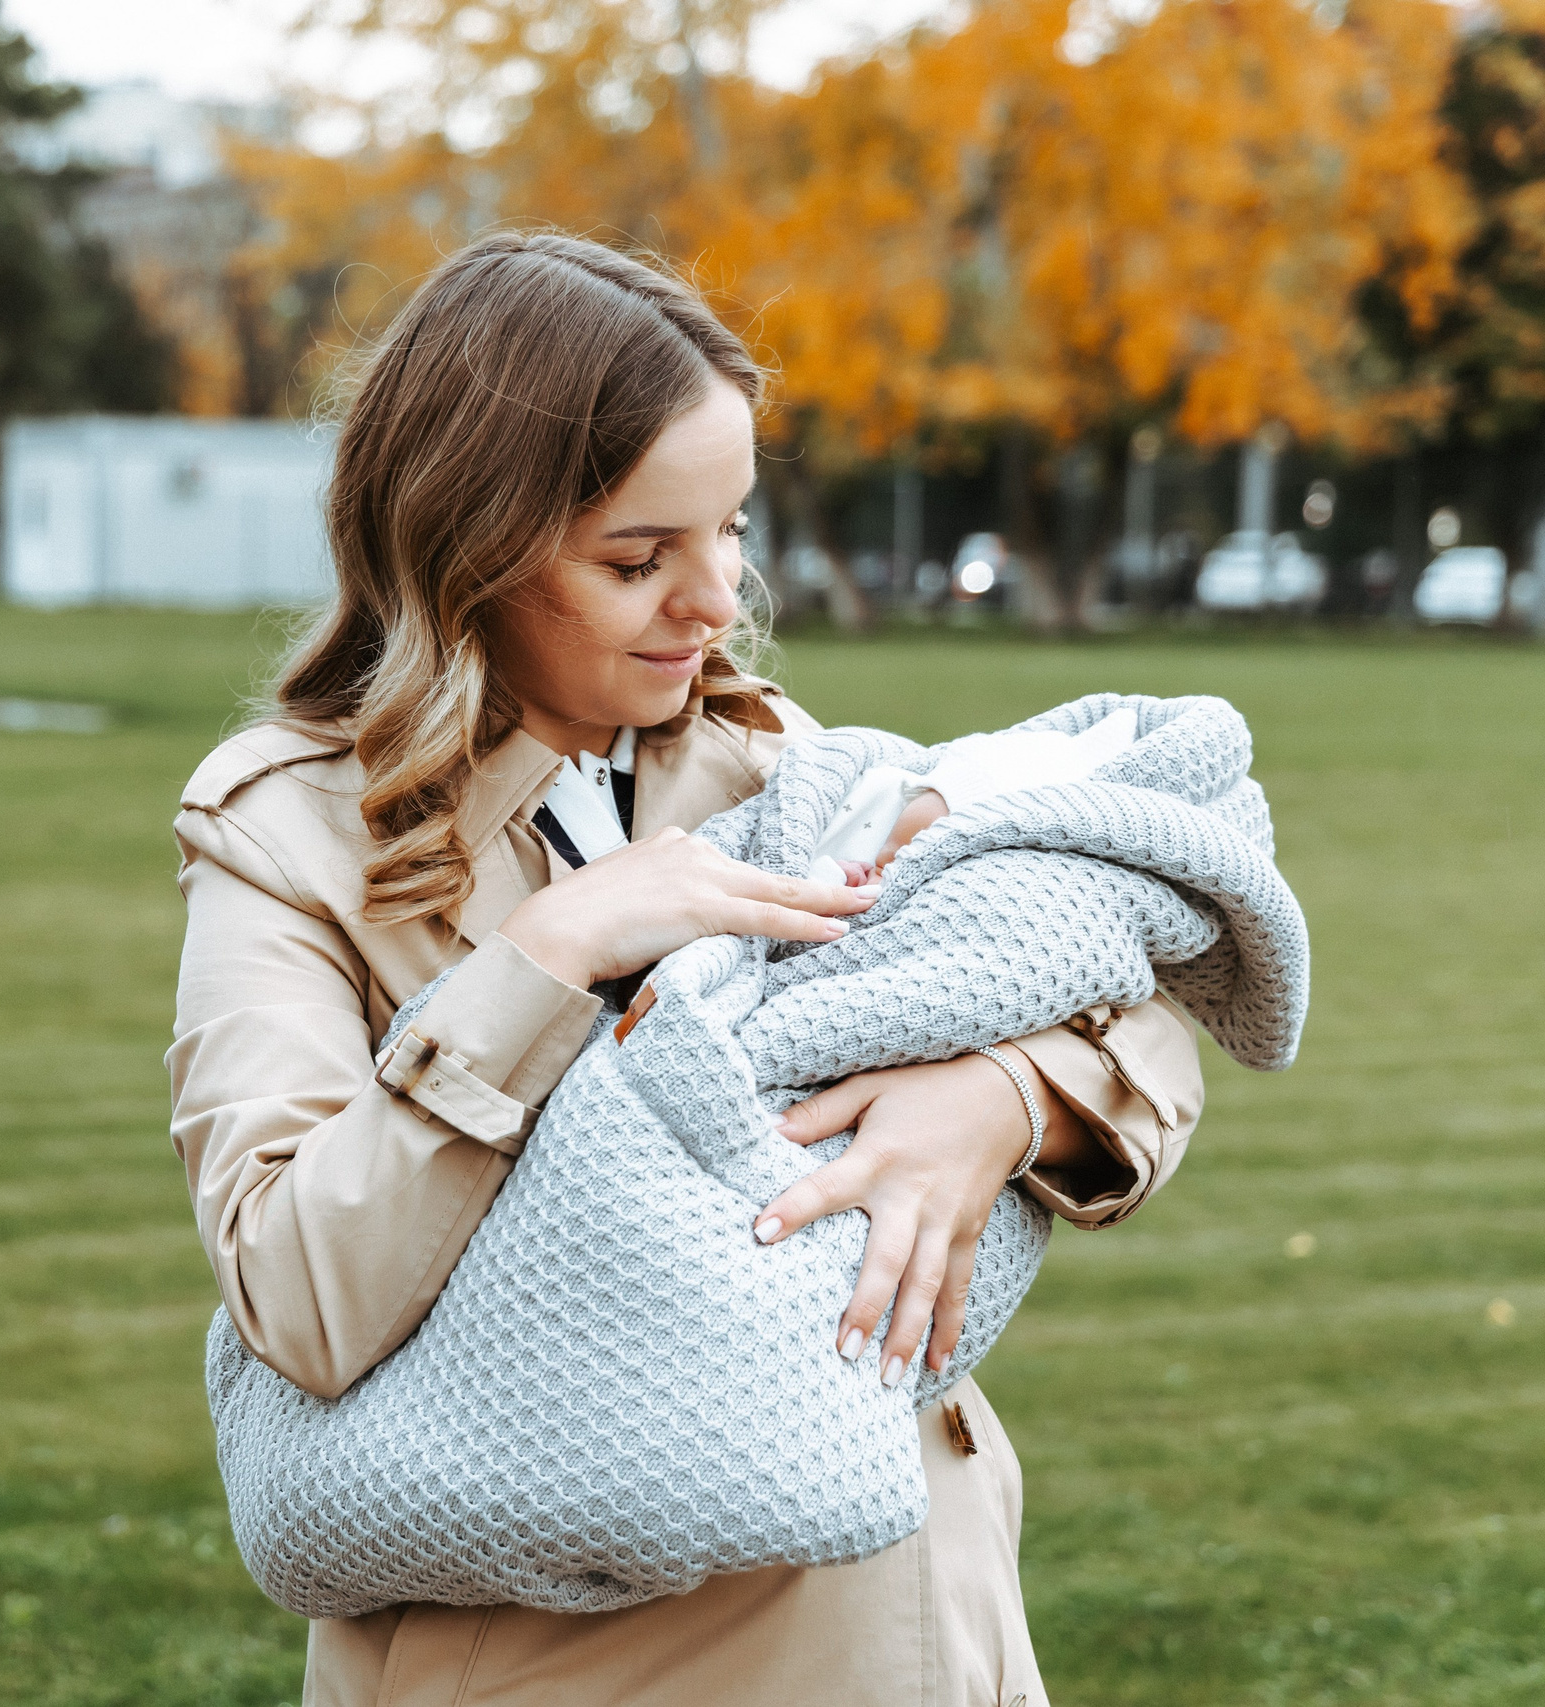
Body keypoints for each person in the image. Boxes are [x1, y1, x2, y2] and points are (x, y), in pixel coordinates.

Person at [168, 231, 1207, 1706]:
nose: (714, 599)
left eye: (731, 529)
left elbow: (1119, 991)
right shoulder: (289, 832)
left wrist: (1005, 1096)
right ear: (468, 543)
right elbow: (298, 1293)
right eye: (637, 558)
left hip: (920, 1616)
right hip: (562, 1657)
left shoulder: (768, 758)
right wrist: (546, 956)